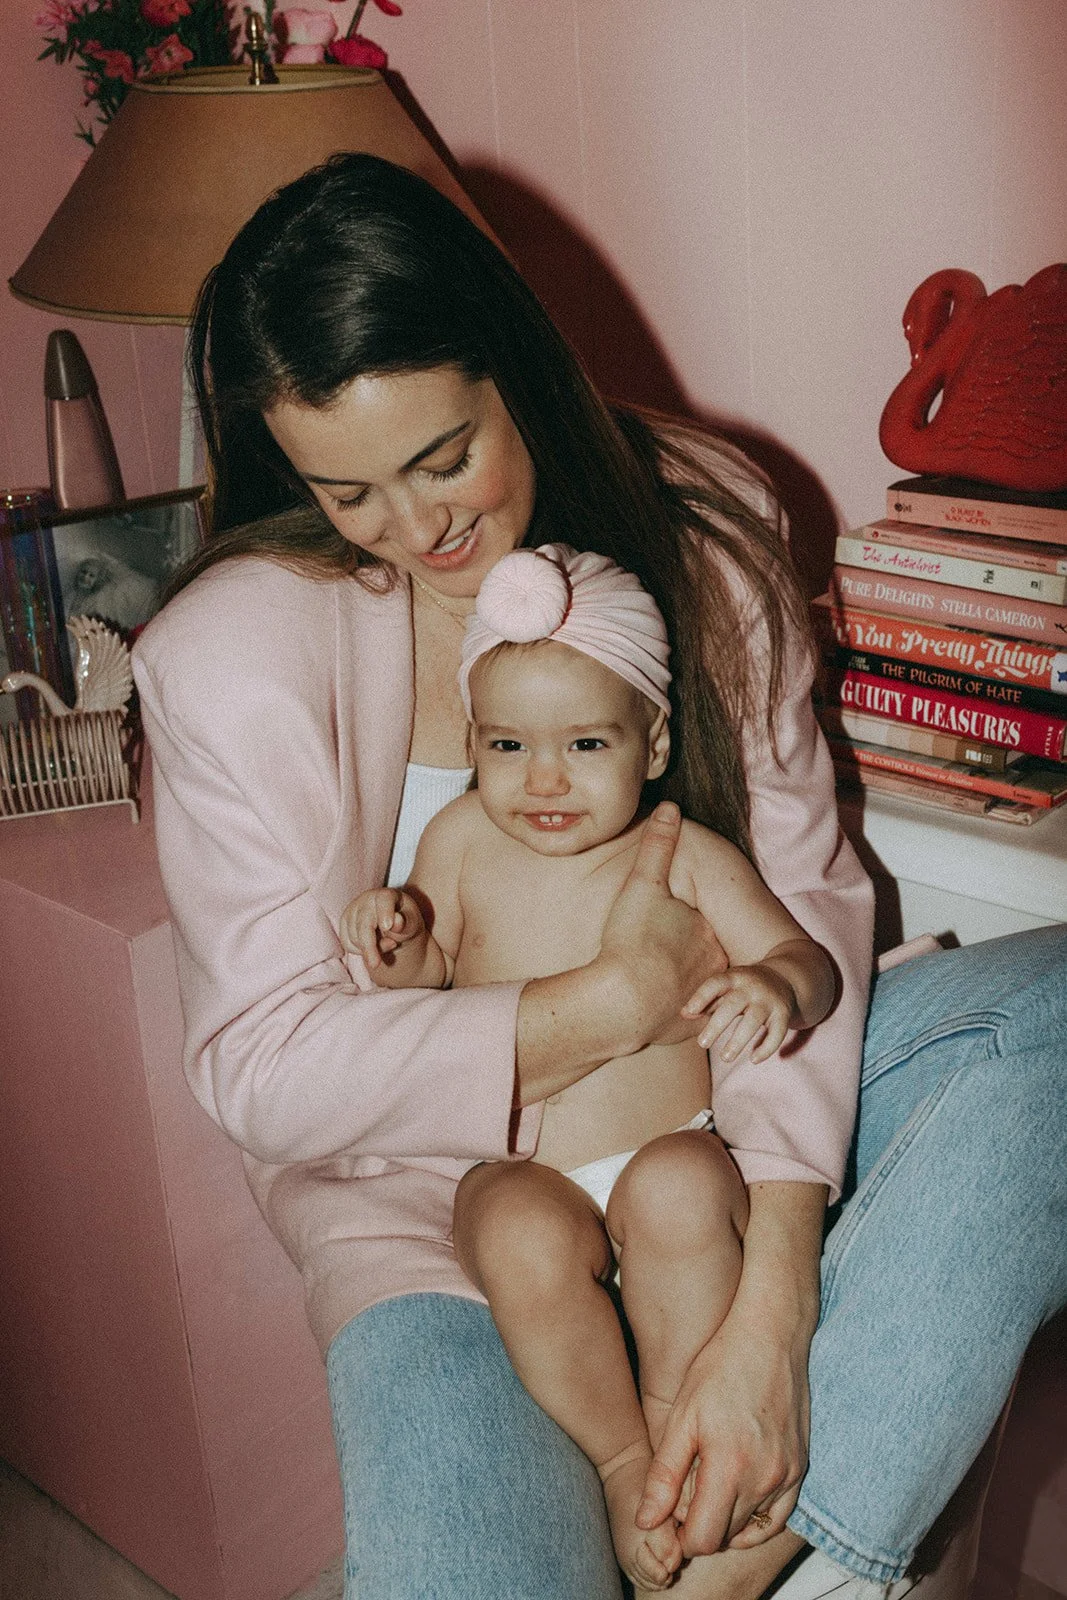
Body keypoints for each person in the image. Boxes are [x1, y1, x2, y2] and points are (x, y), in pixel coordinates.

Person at [131, 151, 1067, 1600]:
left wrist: (767, 1312)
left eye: (442, 456)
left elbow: (805, 899)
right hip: (442, 1213)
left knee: (1053, 1017)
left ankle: (749, 1563)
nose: (419, 528)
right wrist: (602, 1001)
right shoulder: (230, 653)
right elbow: (260, 1065)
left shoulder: (697, 526)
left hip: (716, 1118)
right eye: (348, 491)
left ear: (515, 364)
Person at [340, 543, 836, 1592]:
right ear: (472, 739)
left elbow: (804, 956)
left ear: (651, 740)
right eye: (508, 743)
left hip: (665, 1150)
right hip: (531, 1171)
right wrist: (397, 943)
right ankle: (621, 1461)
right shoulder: (461, 838)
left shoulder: (683, 850)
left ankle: (675, 1429)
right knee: (506, 1219)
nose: (543, 778)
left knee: (682, 1191)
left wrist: (776, 988)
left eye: (584, 742)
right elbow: (426, 984)